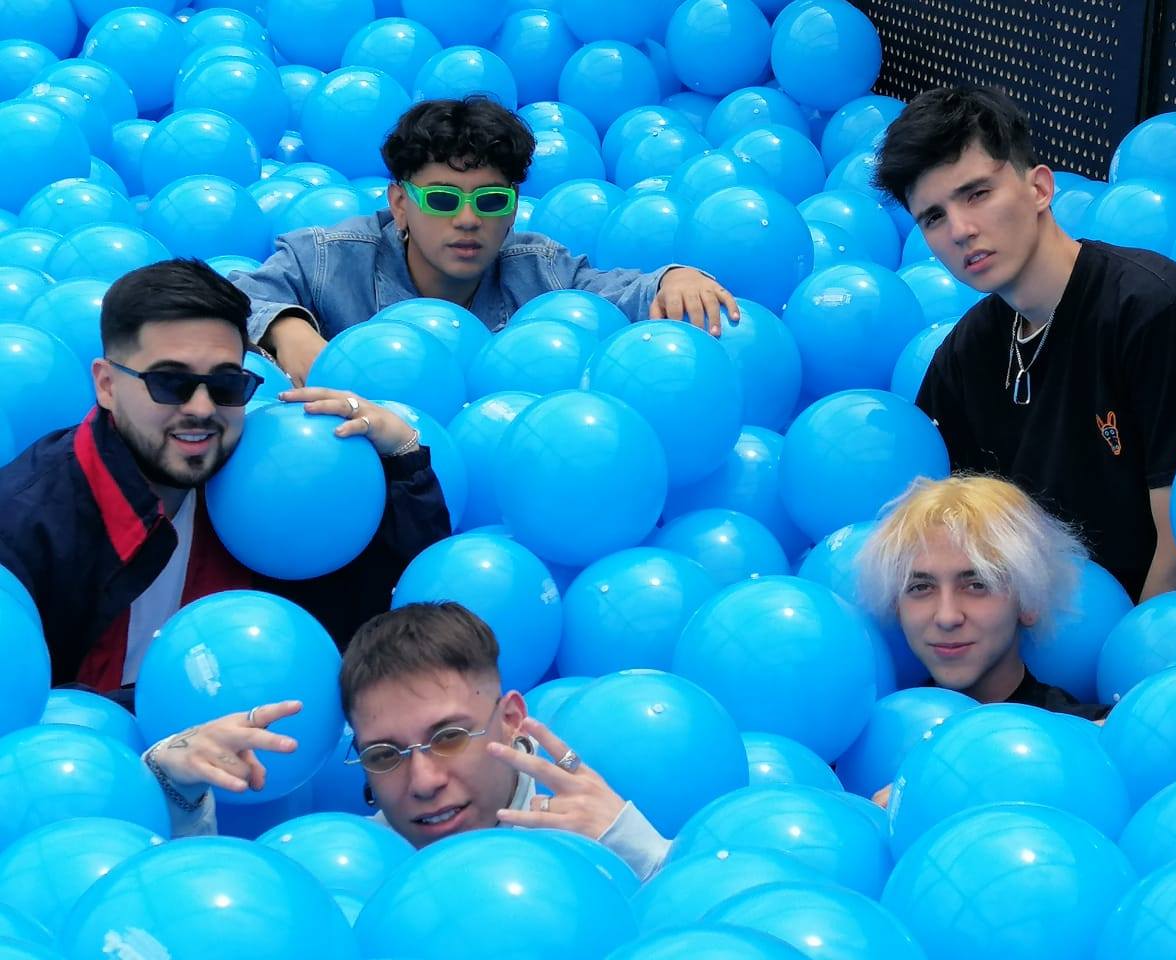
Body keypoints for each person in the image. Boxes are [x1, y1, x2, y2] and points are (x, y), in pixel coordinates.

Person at [872, 85, 1176, 603]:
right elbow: (934, 532)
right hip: (1036, 631)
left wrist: (1122, 653)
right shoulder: (967, 352)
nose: (961, 230)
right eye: (934, 217)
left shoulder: (1158, 316)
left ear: (1040, 188)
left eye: (977, 194)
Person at [0, 259, 451, 699]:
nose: (201, 408)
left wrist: (402, 458)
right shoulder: (24, 523)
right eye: (170, 383)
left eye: (225, 385)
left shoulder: (272, 476)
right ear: (107, 385)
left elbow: (396, 621)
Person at [144, 601, 671, 881]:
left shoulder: (600, 838)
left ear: (511, 718)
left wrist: (642, 855)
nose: (423, 781)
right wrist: (171, 785)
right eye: (384, 754)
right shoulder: (351, 865)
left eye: (448, 737)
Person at [235, 96, 740, 384]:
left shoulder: (539, 271)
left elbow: (616, 294)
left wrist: (675, 277)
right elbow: (231, 296)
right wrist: (287, 330)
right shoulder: (330, 259)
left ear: (514, 209)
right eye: (442, 199)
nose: (468, 219)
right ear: (399, 203)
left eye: (491, 200)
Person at [856, 474, 1109, 721]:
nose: (947, 617)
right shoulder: (871, 737)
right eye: (921, 587)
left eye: (977, 585)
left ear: (1029, 601)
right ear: (896, 605)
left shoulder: (1095, 736)